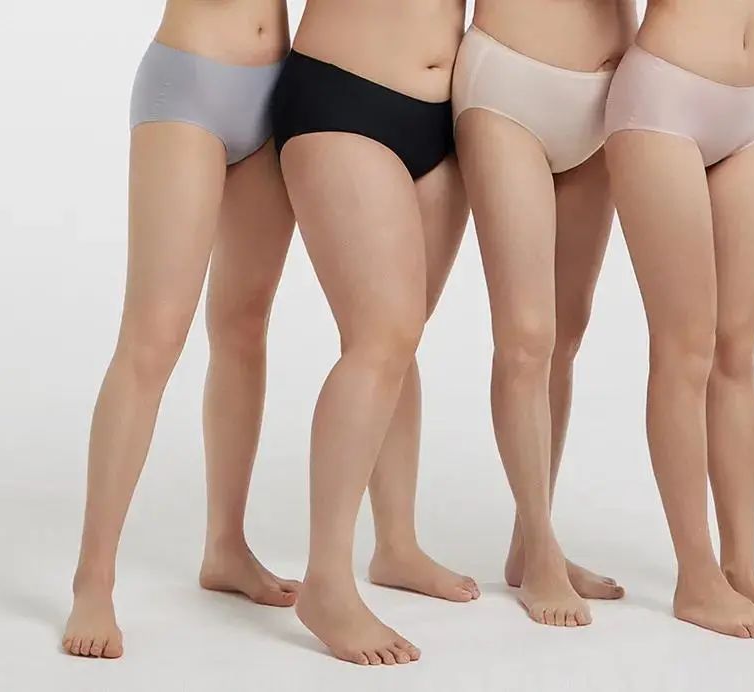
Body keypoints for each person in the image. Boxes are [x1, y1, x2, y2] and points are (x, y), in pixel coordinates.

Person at [62, 0, 300, 659]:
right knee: (151, 339)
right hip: (191, 82)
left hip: (278, 88)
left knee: (244, 326)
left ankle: (226, 546)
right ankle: (93, 579)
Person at [604, 0, 754, 638]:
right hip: (665, 96)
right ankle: (695, 578)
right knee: (684, 349)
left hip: (753, 106)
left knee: (736, 352)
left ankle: (740, 569)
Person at [270, 0, 473, 666]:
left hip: (445, 115)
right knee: (381, 337)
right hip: (344, 96)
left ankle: (397, 545)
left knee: (398, 340)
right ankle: (327, 581)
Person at [452, 0, 636, 626]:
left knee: (567, 331)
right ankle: (540, 553)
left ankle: (530, 542)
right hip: (510, 86)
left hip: (608, 100)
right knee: (526, 334)